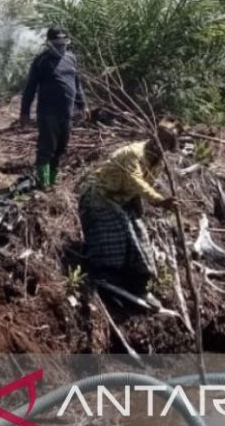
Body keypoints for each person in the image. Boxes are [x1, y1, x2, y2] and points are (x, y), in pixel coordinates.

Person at [77, 120, 181, 301]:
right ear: (153, 136)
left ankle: (138, 285)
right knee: (117, 232)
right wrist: (159, 201)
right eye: (160, 139)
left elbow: (139, 189)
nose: (160, 144)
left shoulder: (159, 163)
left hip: (122, 200)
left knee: (140, 237)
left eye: (166, 142)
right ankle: (106, 278)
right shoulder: (134, 153)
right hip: (99, 197)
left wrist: (139, 212)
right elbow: (137, 182)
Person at [20, 26, 86, 190]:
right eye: (56, 44)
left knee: (61, 148)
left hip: (67, 113)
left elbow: (77, 84)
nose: (60, 48)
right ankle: (43, 184)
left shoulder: (71, 58)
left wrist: (82, 105)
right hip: (47, 113)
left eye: (63, 44)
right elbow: (30, 88)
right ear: (49, 44)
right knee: (46, 148)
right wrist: (25, 112)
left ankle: (52, 181)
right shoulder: (41, 61)